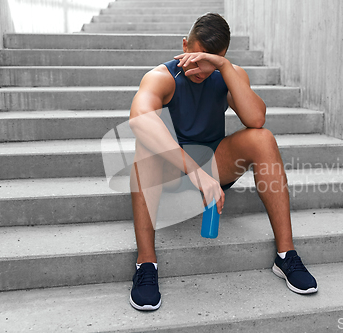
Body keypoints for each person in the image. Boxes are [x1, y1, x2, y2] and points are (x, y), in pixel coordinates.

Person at [128, 13, 317, 311]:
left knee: (262, 137)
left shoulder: (226, 73)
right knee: (144, 146)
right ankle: (146, 264)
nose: (200, 68)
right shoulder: (161, 77)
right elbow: (139, 117)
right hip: (172, 173)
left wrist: (225, 68)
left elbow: (255, 118)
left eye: (210, 60)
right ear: (184, 45)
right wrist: (195, 171)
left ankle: (286, 255)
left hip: (216, 166)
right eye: (195, 55)